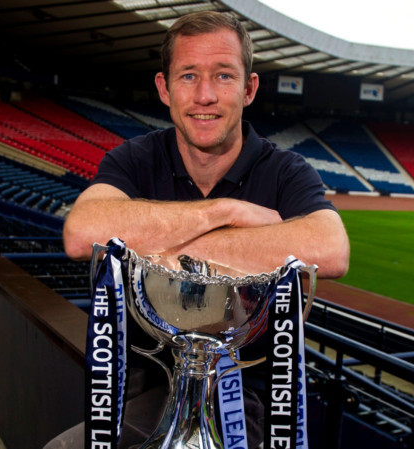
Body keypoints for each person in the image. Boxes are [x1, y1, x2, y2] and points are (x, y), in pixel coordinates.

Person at [49, 10, 350, 449]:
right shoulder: (134, 159)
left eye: (223, 76)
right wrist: (227, 212)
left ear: (248, 89)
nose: (205, 95)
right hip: (147, 384)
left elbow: (331, 249)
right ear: (164, 88)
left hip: (247, 394)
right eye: (188, 76)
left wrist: (163, 241)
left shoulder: (286, 170)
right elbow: (81, 233)